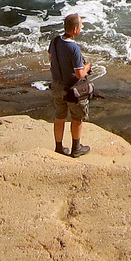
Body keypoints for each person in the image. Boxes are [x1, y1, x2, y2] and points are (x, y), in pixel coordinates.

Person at [49, 13, 92, 157]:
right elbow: (79, 74)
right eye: (81, 25)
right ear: (74, 30)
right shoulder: (74, 48)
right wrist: (87, 67)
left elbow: (51, 58)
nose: (82, 27)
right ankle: (76, 148)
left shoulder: (55, 41)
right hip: (72, 91)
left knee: (59, 117)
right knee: (77, 118)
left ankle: (59, 147)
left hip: (57, 87)